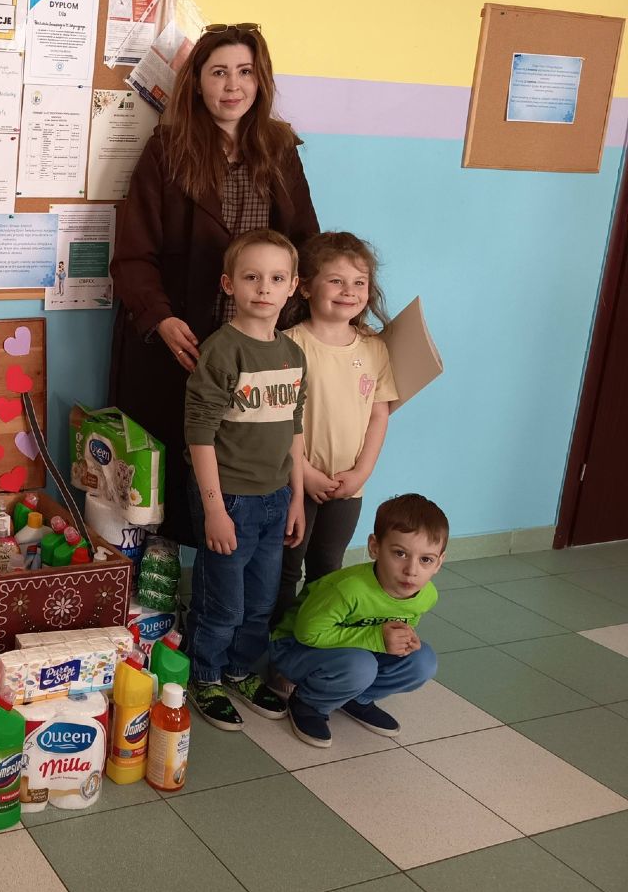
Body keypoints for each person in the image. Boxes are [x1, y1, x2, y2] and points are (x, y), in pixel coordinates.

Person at [109, 24, 318, 545]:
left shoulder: (279, 149)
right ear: (197, 82)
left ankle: (240, 573)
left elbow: (306, 244)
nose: (232, 85)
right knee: (173, 483)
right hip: (187, 341)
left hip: (258, 346)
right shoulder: (168, 149)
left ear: (260, 81)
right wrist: (161, 319)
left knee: (252, 473)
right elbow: (133, 255)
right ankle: (174, 579)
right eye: (218, 72)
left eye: (245, 72)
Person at [182, 228, 305, 731]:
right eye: (252, 277)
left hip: (276, 497)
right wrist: (214, 509)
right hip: (230, 499)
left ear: (293, 286)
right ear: (229, 284)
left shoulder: (292, 353)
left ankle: (238, 670)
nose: (264, 288)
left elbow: (295, 429)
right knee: (222, 603)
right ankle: (205, 674)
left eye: (276, 278)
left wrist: (297, 498)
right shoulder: (222, 351)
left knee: (260, 601)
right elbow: (199, 435)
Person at [272, 232, 397, 626]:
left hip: (347, 487)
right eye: (336, 281)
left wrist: (361, 473)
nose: (349, 291)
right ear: (306, 287)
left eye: (359, 282)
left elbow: (379, 415)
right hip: (295, 482)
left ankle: (314, 636)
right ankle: (276, 639)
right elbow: (276, 421)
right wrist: (304, 474)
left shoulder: (374, 347)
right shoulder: (287, 345)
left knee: (327, 568)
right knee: (285, 567)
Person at [271, 493, 447, 747]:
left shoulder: (427, 595)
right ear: (375, 547)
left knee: (423, 662)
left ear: (439, 563)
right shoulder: (349, 589)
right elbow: (307, 633)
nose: (411, 570)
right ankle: (309, 703)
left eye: (426, 560)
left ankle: (356, 697)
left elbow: (403, 622)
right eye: (399, 553)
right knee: (362, 666)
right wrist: (376, 637)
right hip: (293, 647)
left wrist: (405, 640)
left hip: (352, 651)